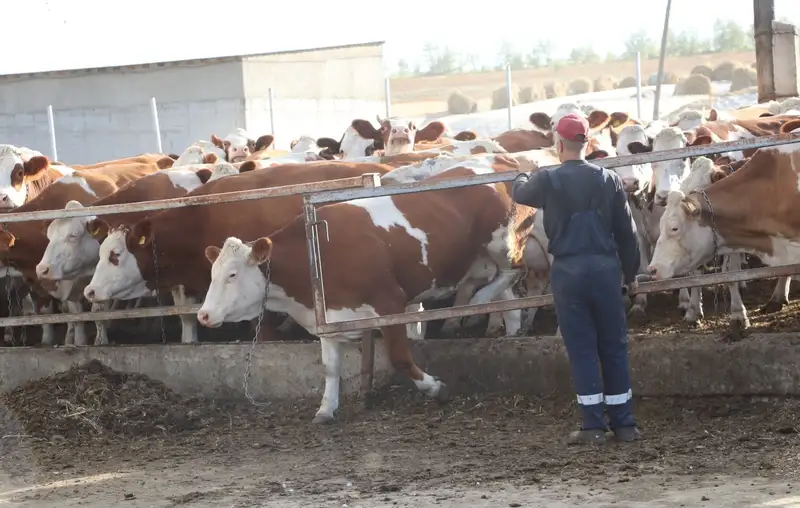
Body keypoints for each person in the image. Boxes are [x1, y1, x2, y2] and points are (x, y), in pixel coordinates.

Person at [511, 113, 641, 445]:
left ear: (558, 145)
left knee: (582, 348)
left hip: (569, 271)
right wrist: (632, 274)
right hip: (606, 269)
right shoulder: (609, 179)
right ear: (587, 143)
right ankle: (625, 424)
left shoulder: (548, 179)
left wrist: (522, 174)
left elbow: (521, 194)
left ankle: (593, 427)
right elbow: (627, 233)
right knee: (614, 346)